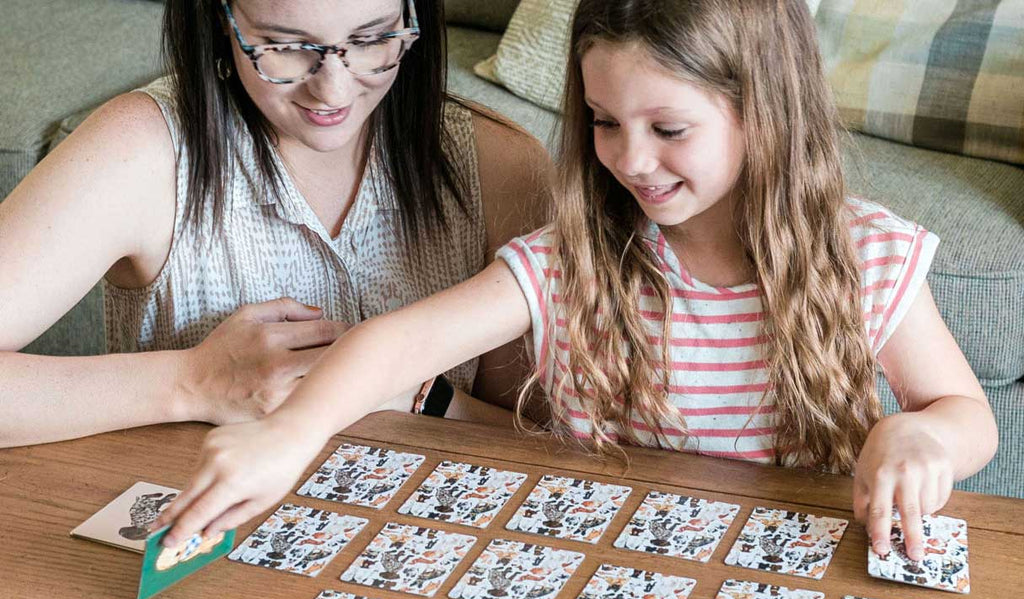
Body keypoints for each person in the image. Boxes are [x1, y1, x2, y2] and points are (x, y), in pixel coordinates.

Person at [157, 0, 998, 561]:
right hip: (595, 570)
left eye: (669, 128)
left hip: (792, 571)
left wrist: (924, 438)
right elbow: (400, 343)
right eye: (603, 122)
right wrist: (291, 433)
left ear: (767, 111)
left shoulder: (865, 255)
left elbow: (966, 415)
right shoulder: (572, 256)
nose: (631, 159)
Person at [0, 0, 550, 448]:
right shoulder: (141, 149)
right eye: (285, 46)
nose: (333, 91)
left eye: (372, 38)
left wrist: (416, 397)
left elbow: (542, 442)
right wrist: (193, 382)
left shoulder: (498, 164)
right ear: (222, 18)